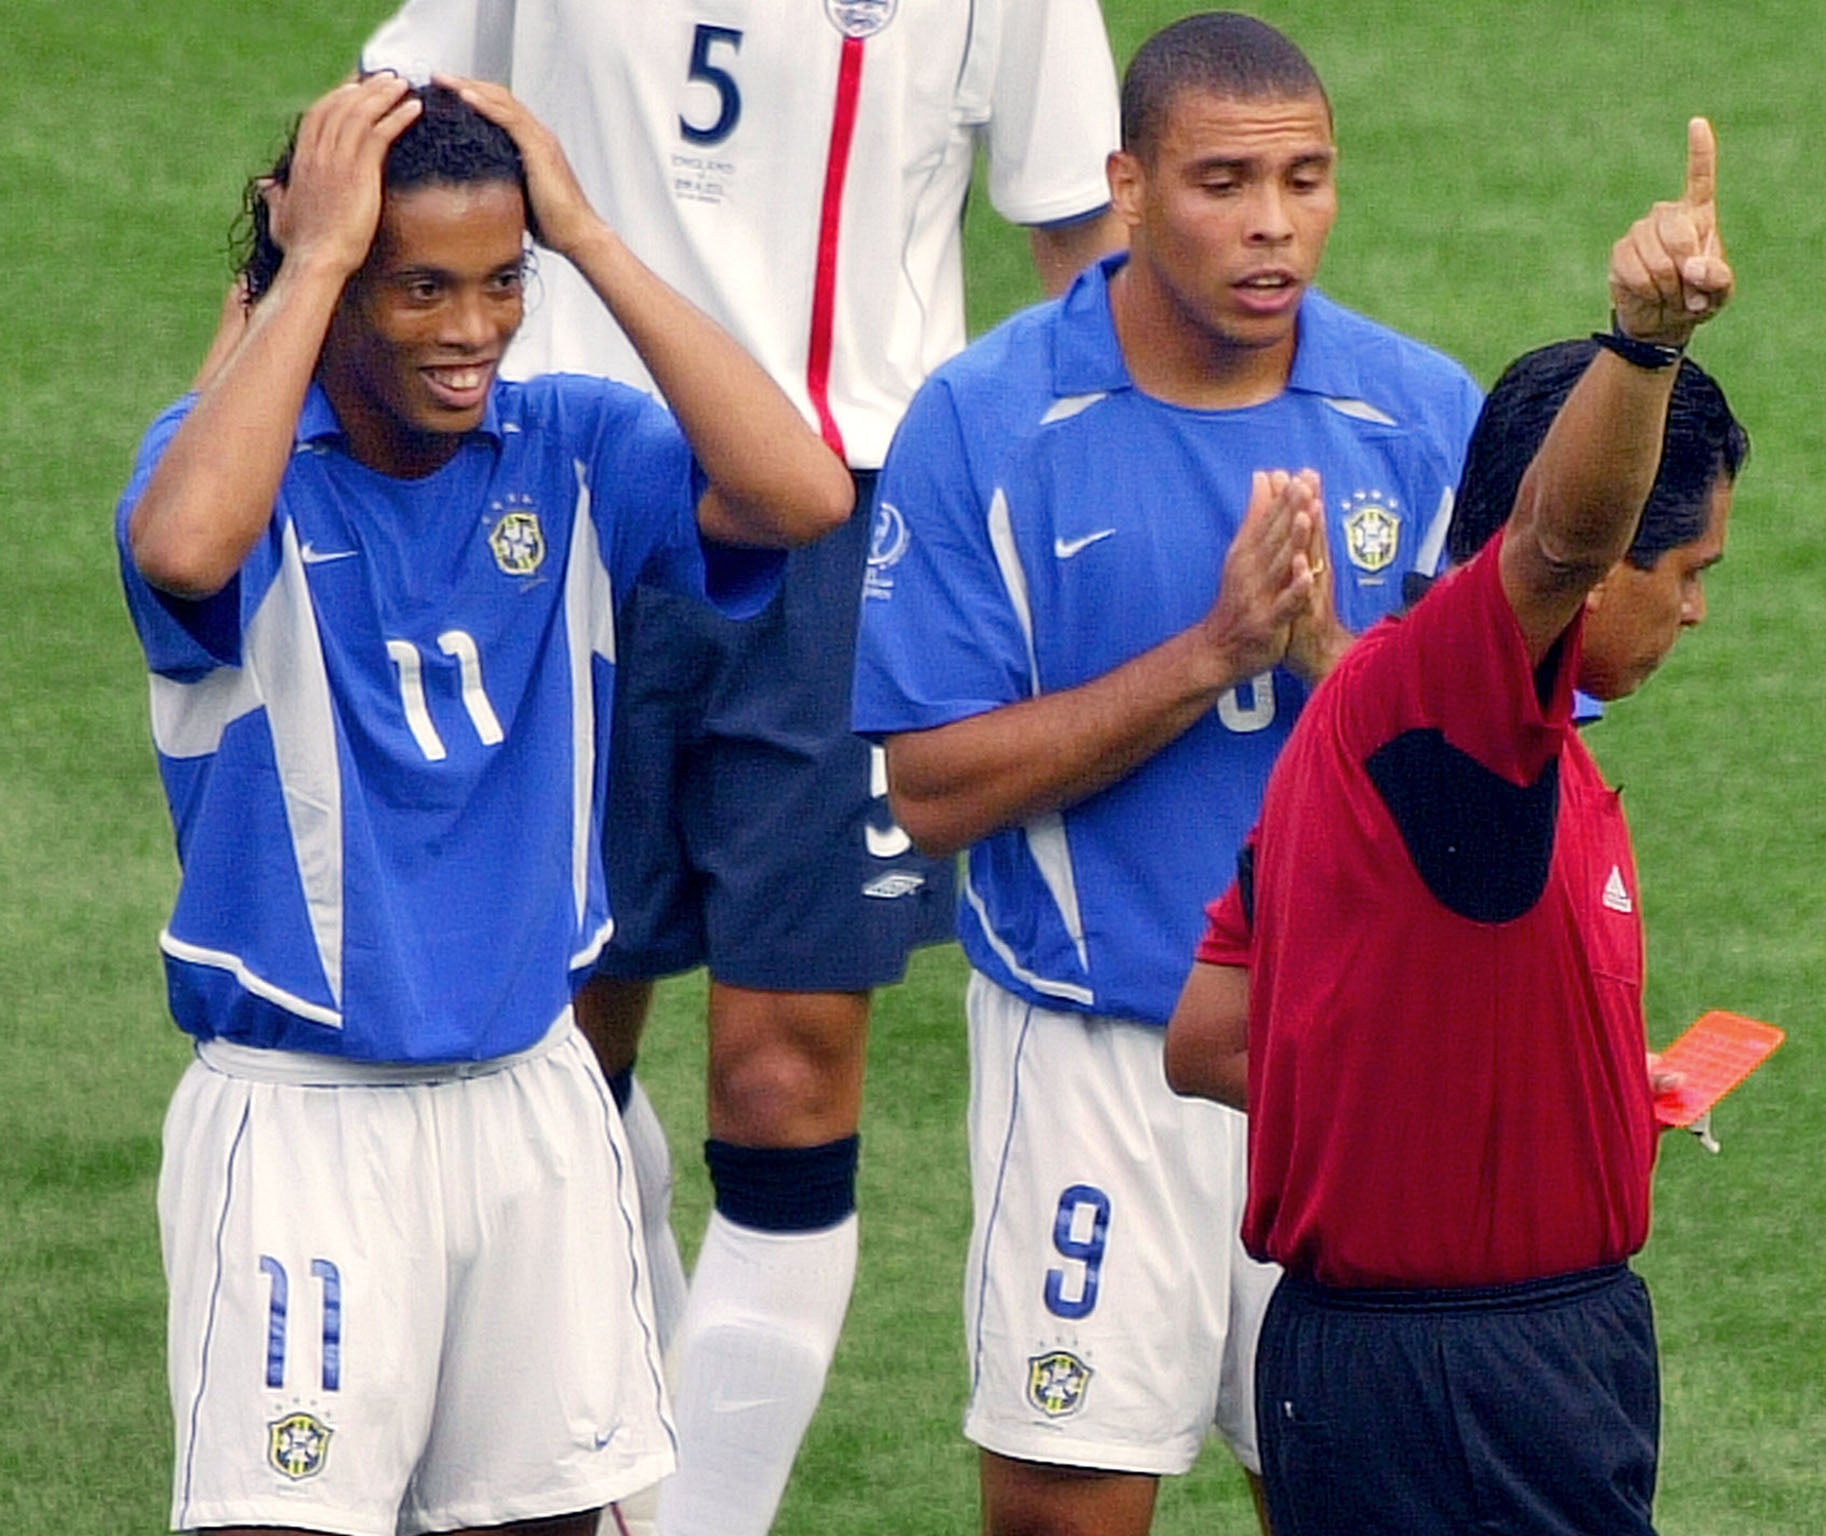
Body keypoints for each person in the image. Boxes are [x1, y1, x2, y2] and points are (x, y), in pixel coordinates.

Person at [356, 7, 1124, 1529]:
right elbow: (387, 106)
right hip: (566, 489)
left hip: (856, 519)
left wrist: (1117, 505)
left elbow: (1075, 229)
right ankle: (590, 1443)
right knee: (557, 1044)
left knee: (784, 1076)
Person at [117, 74, 850, 1536]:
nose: (471, 331)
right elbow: (189, 545)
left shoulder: (572, 449)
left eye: (501, 282)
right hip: (302, 1127)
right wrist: (307, 262)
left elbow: (802, 493)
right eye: (420, 288)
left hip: (531, 1110)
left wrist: (587, 233)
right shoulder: (231, 472)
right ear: (332, 284)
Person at [851, 14, 1484, 1532]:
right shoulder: (989, 422)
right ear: (1126, 187)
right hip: (1092, 1061)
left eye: (1306, 177)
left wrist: (1334, 663)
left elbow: (1502, 795)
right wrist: (1211, 654)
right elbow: (929, 789)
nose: (1274, 224)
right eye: (1224, 182)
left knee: (1364, 1507)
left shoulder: (1418, 418)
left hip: (1347, 1062)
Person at [1164, 119, 1744, 1536]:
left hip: (1449, 1361)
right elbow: (1553, 543)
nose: (1694, 608)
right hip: (1470, 1386)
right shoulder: (1452, 710)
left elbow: (1210, 1036)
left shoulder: (1401, 734)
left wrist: (1532, 1094)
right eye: (1683, 568)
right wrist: (1644, 346)